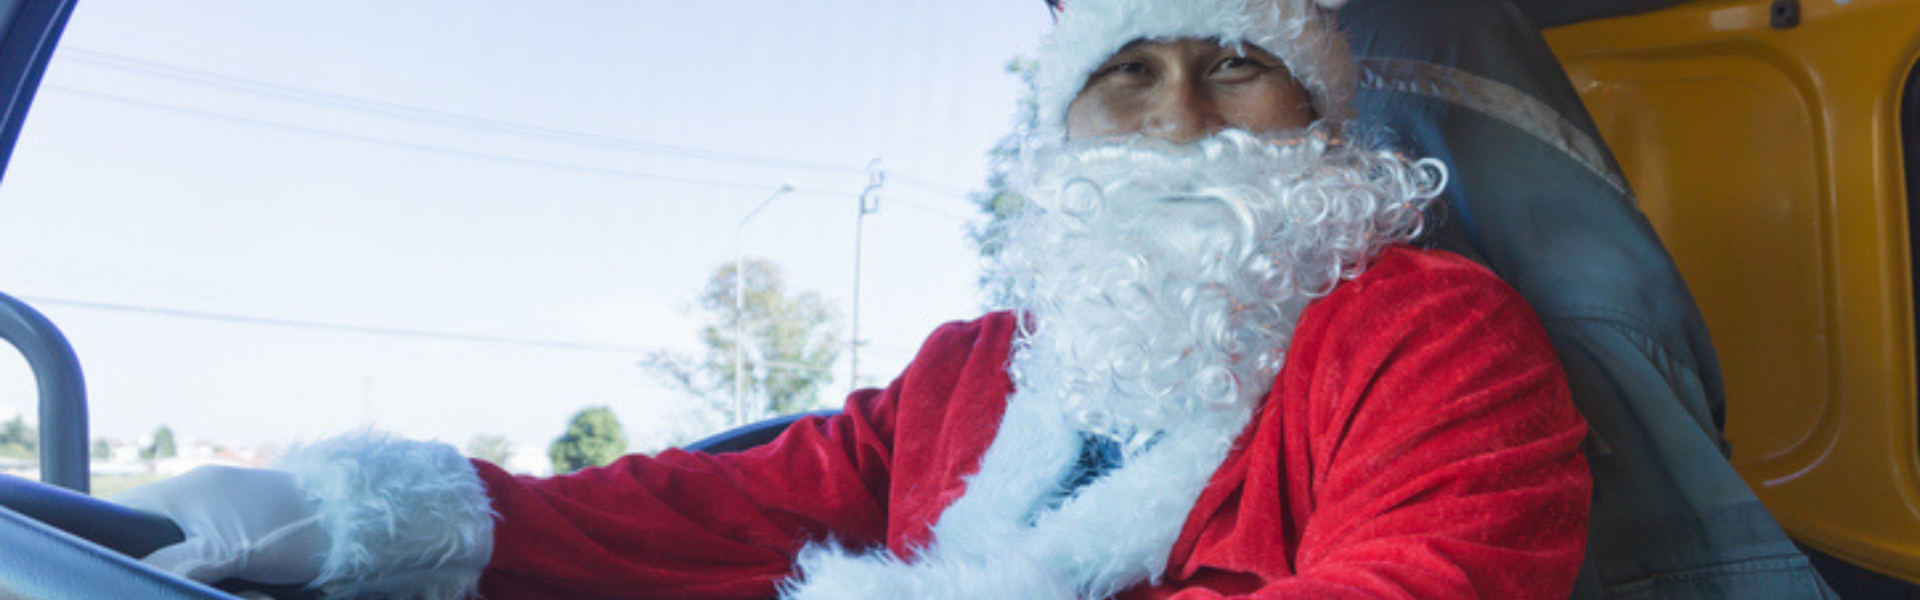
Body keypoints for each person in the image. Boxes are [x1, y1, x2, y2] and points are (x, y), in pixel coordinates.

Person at [114, 1, 1592, 599]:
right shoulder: (976, 368)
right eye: (1123, 74)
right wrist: (375, 517)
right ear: (1062, 130)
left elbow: (1426, 583)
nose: (1177, 115)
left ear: (1318, 121)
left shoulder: (1424, 330)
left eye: (1230, 62)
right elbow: (717, 508)